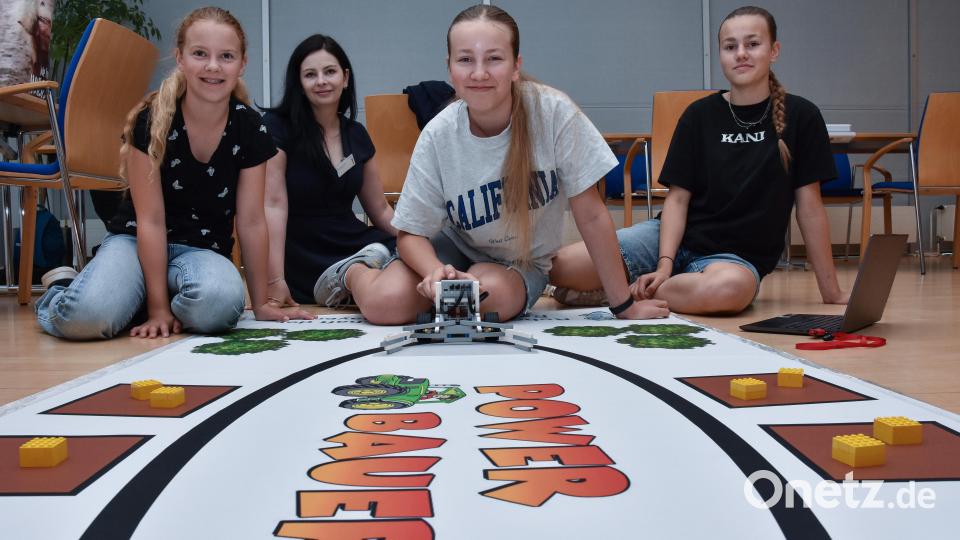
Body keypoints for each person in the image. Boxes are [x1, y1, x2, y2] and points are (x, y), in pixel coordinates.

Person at [312, 3, 669, 324]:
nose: (479, 73)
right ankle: (356, 270)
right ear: (450, 69)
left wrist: (623, 305)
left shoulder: (554, 113)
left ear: (516, 66)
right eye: (465, 60)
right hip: (452, 246)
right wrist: (435, 272)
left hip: (520, 262)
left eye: (494, 58)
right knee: (385, 305)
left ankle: (454, 287)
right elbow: (410, 234)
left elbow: (591, 215)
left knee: (483, 299)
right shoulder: (439, 134)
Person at [35, 6, 312, 340]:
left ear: (242, 64)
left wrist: (262, 301)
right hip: (135, 240)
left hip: (201, 250)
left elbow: (252, 221)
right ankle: (63, 289)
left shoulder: (251, 128)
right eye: (200, 54)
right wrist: (158, 310)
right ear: (180, 58)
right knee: (87, 318)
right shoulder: (152, 120)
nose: (213, 66)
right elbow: (151, 220)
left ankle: (142, 296)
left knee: (218, 308)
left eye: (226, 56)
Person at [550, 5, 847, 315]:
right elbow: (678, 200)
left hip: (733, 261)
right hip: (668, 241)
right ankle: (648, 285)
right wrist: (665, 264)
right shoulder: (699, 115)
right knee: (560, 267)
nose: (741, 54)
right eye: (730, 46)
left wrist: (831, 291)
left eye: (752, 44)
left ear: (774, 51)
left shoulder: (803, 116)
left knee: (727, 290)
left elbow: (810, 209)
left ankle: (624, 294)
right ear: (720, 55)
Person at [260, 34, 397, 306]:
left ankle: (358, 279)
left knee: (407, 254)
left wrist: (418, 242)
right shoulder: (277, 127)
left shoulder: (356, 134)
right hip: (302, 250)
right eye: (310, 74)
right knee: (379, 267)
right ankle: (354, 279)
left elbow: (380, 210)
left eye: (330, 72)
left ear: (345, 78)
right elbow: (273, 206)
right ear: (299, 84)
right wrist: (274, 279)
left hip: (351, 241)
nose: (321, 81)